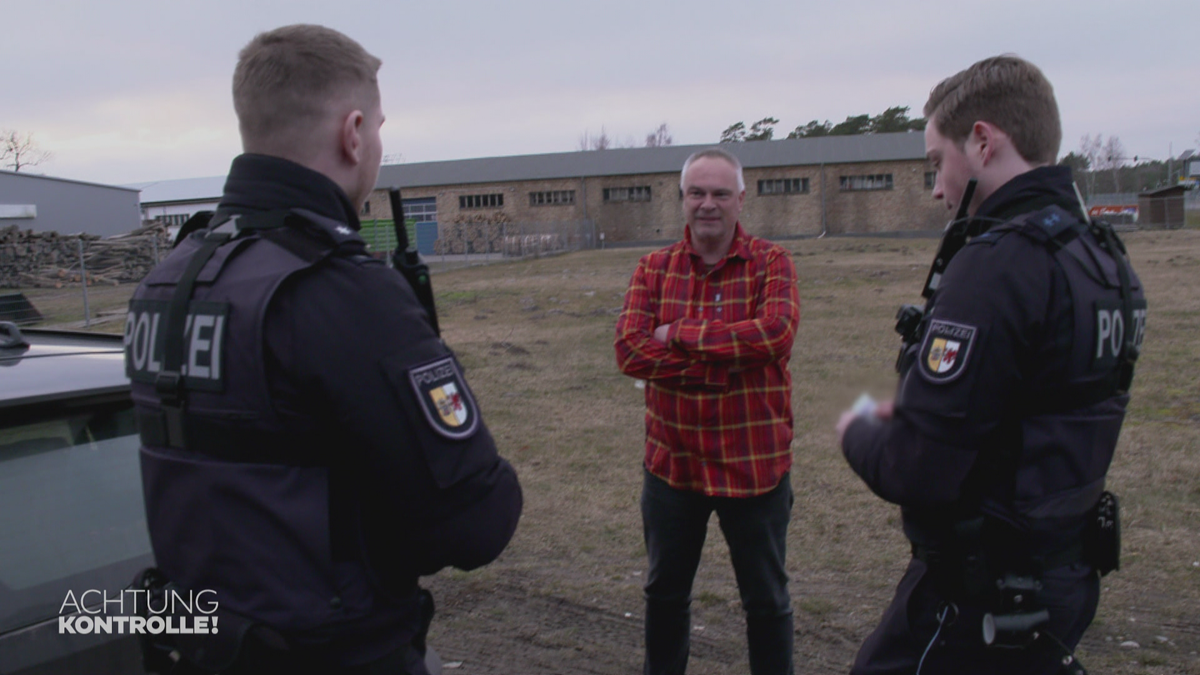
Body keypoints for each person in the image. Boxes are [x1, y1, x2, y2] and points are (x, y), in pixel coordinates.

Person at [124, 24, 521, 674]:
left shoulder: (165, 282)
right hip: (335, 650)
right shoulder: (340, 290)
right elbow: (475, 522)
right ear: (354, 131)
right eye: (380, 129)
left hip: (202, 645)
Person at [837, 55, 1147, 675]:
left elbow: (919, 467)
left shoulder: (999, 261)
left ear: (982, 141)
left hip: (979, 599)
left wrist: (859, 428)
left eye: (936, 163)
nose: (935, 188)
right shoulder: (1103, 258)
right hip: (1061, 577)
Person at [614, 147, 801, 675]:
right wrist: (718, 369)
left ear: (741, 200)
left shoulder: (773, 262)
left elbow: (775, 335)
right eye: (697, 193)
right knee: (664, 595)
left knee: (767, 600)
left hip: (755, 469)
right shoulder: (653, 268)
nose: (708, 204)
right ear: (682, 200)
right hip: (674, 468)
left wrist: (679, 335)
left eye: (720, 193)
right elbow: (629, 350)